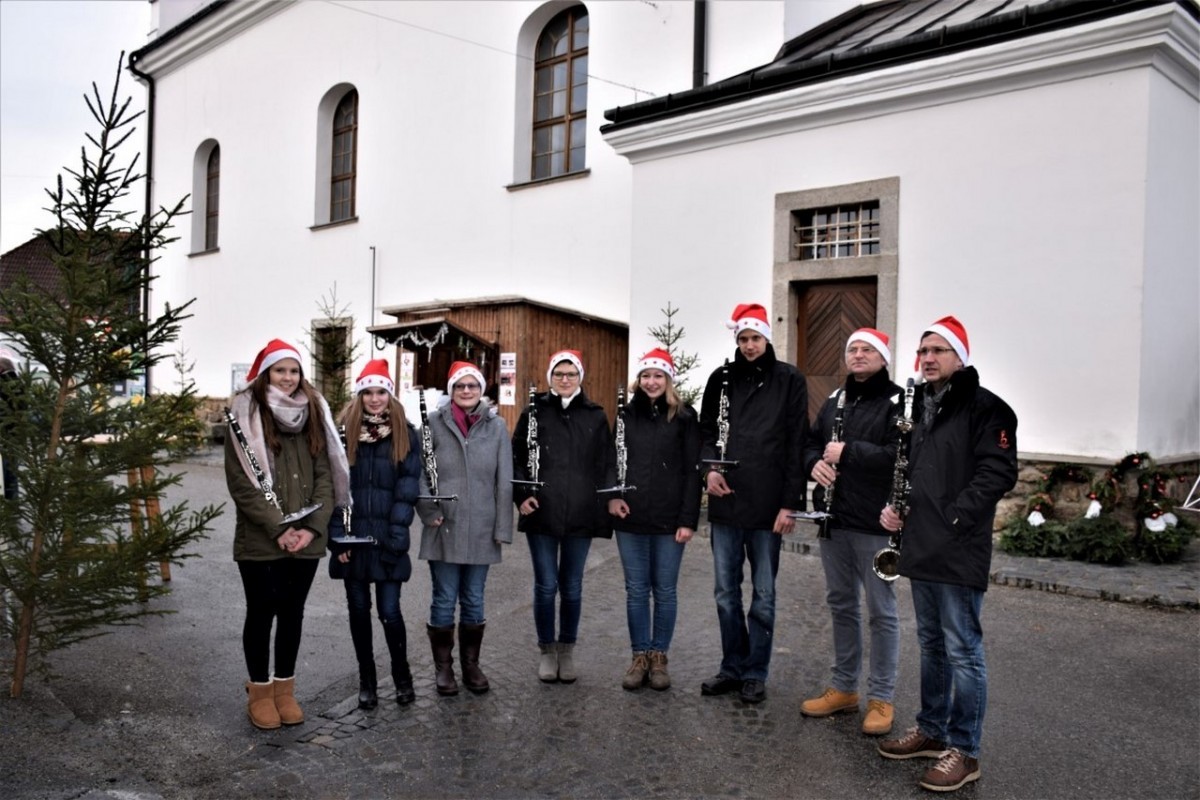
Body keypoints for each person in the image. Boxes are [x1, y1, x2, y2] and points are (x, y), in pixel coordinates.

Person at [878, 316, 1018, 793]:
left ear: (961, 356)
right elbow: (910, 470)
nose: (928, 358)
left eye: (939, 350)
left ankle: (965, 750)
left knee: (962, 650)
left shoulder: (987, 408)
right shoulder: (919, 406)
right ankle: (932, 730)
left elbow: (997, 473)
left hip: (958, 547)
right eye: (924, 351)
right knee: (932, 644)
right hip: (921, 544)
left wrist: (955, 518)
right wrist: (895, 508)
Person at [225, 339, 349, 730]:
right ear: (266, 374)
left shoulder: (313, 412)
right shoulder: (245, 414)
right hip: (261, 538)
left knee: (292, 613)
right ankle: (260, 692)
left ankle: (284, 690)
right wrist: (279, 528)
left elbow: (326, 475)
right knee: (262, 612)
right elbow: (241, 483)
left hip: (306, 537)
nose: (288, 378)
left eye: (294, 371)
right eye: (280, 370)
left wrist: (311, 528)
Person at [699, 303, 808, 704]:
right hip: (727, 504)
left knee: (763, 594)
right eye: (743, 339)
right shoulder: (720, 378)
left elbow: (797, 442)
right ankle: (732, 666)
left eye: (755, 338)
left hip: (767, 505)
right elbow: (706, 432)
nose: (749, 346)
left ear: (766, 338)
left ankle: (755, 671)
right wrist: (709, 470)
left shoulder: (789, 379)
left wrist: (790, 503)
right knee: (725, 593)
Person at [799, 328, 902, 735]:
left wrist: (849, 452)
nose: (858, 355)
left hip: (877, 525)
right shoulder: (834, 400)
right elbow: (811, 443)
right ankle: (844, 688)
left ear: (883, 357)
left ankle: (881, 696)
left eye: (867, 350)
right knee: (841, 605)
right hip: (834, 520)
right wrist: (813, 463)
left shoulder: (898, 402)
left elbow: (901, 456)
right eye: (852, 349)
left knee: (882, 612)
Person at [512, 350, 614, 684]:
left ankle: (566, 649)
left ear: (580, 377)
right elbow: (516, 458)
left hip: (581, 514)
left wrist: (606, 501)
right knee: (545, 586)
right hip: (542, 512)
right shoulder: (534, 411)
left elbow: (607, 461)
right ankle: (547, 649)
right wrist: (521, 496)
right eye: (559, 374)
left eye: (571, 374)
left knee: (571, 586)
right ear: (550, 377)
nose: (565, 379)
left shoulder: (595, 415)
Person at [327, 360, 422, 709]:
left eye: (381, 391)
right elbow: (333, 489)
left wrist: (396, 536)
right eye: (367, 392)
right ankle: (366, 679)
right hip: (352, 540)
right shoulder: (342, 434)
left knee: (389, 611)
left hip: (386, 539)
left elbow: (407, 490)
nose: (374, 398)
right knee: (358, 610)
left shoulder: (405, 434)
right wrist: (337, 537)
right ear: (359, 396)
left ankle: (401, 675)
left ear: (390, 395)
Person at [606, 348, 702, 691]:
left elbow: (693, 472)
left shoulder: (685, 417)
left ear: (668, 380)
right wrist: (613, 496)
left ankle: (659, 656)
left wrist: (688, 519)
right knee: (636, 591)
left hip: (668, 518)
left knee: (664, 590)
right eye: (645, 375)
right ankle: (639, 656)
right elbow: (612, 460)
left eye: (658, 376)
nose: (651, 382)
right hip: (630, 517)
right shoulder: (625, 414)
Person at [417, 361, 513, 696]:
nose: (466, 391)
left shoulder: (496, 426)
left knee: (474, 597)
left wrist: (502, 527)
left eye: (472, 385)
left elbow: (504, 480)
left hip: (482, 526)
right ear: (452, 390)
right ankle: (444, 669)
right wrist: (429, 511)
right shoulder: (432, 423)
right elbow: (421, 473)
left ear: (481, 390)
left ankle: (471, 665)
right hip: (444, 524)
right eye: (460, 386)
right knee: (444, 598)